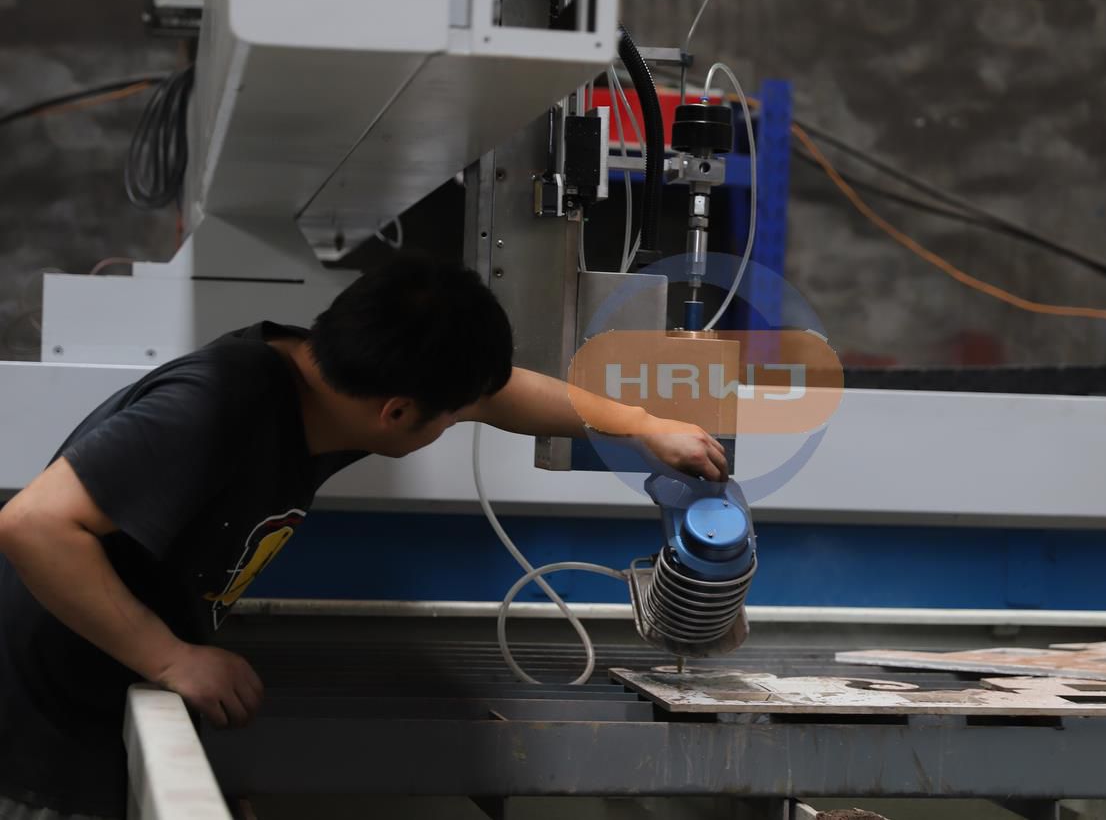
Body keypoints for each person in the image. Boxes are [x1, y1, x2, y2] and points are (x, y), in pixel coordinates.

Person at [0, 255, 728, 819]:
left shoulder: (331, 380)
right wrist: (172, 659)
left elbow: (500, 392)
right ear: (398, 413)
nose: (461, 418)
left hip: (110, 699)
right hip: (43, 729)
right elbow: (33, 524)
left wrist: (642, 427)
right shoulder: (216, 405)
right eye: (449, 416)